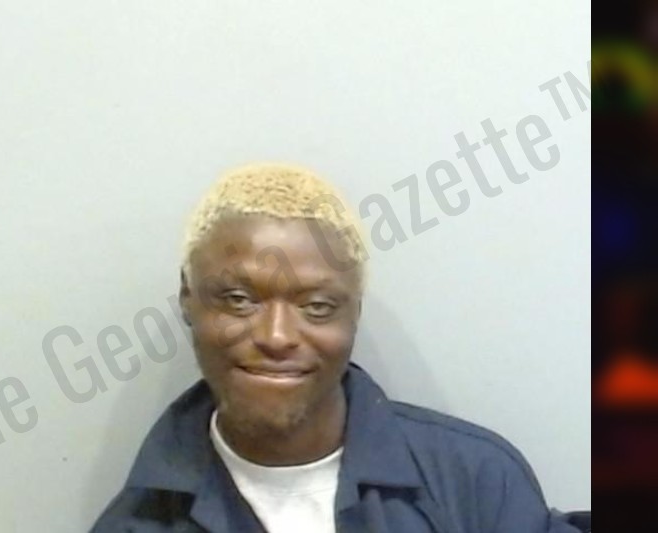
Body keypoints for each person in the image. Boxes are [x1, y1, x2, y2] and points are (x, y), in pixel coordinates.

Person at [92, 164, 581, 532]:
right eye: (239, 300)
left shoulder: (474, 483)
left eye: (317, 306)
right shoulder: (136, 523)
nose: (276, 336)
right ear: (188, 299)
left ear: (354, 313)